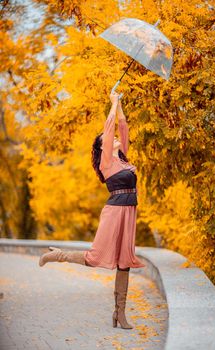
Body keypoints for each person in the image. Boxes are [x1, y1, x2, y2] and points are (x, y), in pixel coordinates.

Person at [38, 91, 146, 329]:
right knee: (96, 258)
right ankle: (58, 256)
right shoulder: (106, 162)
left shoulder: (124, 159)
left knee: (124, 261)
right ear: (102, 146)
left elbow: (122, 126)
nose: (115, 138)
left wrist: (119, 104)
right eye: (108, 139)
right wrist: (112, 101)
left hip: (129, 212)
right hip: (114, 211)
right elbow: (109, 131)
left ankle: (120, 313)